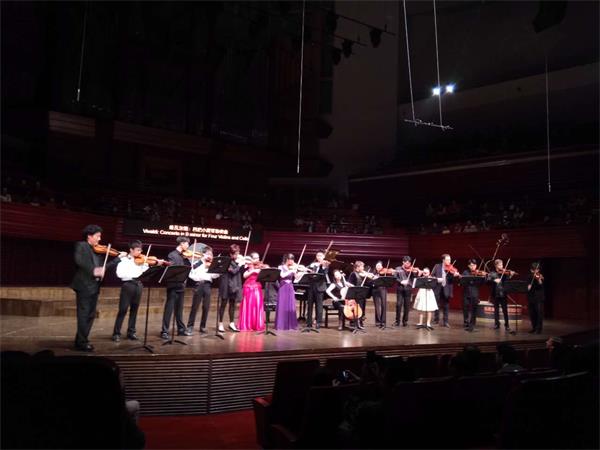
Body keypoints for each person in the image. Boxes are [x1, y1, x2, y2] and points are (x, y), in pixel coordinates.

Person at [70, 224, 125, 351]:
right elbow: (79, 261)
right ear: (89, 236)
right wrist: (93, 270)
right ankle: (82, 342)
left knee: (90, 315)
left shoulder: (98, 252)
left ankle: (81, 339)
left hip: (94, 286)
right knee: (83, 314)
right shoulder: (81, 245)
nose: (100, 239)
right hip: (84, 286)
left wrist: (117, 259)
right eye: (98, 236)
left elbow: (103, 268)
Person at [112, 240, 164, 342]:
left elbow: (145, 272)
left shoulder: (142, 260)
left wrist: (156, 264)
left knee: (134, 310)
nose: (140, 252)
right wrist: (133, 274)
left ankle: (131, 332)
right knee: (123, 310)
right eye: (137, 250)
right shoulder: (124, 260)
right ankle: (116, 333)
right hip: (128, 285)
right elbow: (119, 274)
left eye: (140, 250)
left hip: (139, 285)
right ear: (131, 250)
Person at [161, 236, 191, 339]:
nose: (188, 246)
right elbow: (173, 269)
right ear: (182, 244)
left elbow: (189, 269)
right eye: (187, 244)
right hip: (173, 285)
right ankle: (164, 331)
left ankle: (181, 330)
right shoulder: (172, 255)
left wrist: (189, 260)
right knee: (169, 309)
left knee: (179, 310)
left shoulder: (185, 256)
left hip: (181, 285)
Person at [186, 248, 220, 335]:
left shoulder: (211, 264)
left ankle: (203, 326)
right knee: (195, 307)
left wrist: (218, 270)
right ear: (203, 254)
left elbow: (214, 276)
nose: (210, 256)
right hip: (199, 284)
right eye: (208, 254)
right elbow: (191, 274)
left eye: (211, 254)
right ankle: (190, 327)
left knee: (206, 307)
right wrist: (199, 278)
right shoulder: (197, 263)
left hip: (207, 285)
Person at [218, 244, 244, 333]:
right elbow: (233, 271)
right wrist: (240, 265)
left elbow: (239, 272)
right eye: (236, 254)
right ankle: (220, 323)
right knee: (223, 304)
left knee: (232, 304)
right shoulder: (227, 261)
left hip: (235, 284)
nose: (237, 255)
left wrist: (241, 264)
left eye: (238, 253)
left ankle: (231, 323)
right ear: (231, 254)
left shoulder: (237, 261)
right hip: (226, 284)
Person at [238, 252, 266, 331]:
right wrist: (252, 271)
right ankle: (247, 324)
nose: (258, 259)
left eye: (258, 257)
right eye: (255, 258)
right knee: (248, 305)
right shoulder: (248, 265)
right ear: (251, 259)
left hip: (257, 288)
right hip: (248, 288)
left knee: (256, 305)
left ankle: (256, 324)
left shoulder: (260, 266)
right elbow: (244, 275)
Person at [431, 254, 459, 327]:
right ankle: (436, 320)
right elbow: (432, 275)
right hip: (438, 288)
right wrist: (437, 279)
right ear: (443, 260)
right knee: (436, 305)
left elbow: (453, 281)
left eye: (450, 260)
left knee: (446, 305)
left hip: (447, 289)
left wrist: (455, 276)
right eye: (447, 260)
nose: (449, 261)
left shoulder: (451, 268)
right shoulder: (437, 266)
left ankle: (446, 321)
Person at [488, 259, 514, 331]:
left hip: (503, 293)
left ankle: (507, 325)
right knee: (496, 310)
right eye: (500, 265)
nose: (501, 266)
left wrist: (510, 275)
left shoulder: (504, 273)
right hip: (495, 293)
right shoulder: (492, 273)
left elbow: (507, 281)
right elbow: (487, 281)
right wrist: (494, 280)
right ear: (496, 265)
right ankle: (497, 324)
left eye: (502, 265)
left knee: (505, 310)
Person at [305, 251, 330, 329]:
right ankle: (309, 323)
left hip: (320, 287)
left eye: (320, 255)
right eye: (317, 255)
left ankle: (318, 322)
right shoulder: (313, 264)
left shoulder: (325, 264)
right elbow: (307, 270)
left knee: (319, 306)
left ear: (323, 257)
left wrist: (323, 267)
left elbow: (324, 274)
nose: (319, 257)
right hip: (311, 287)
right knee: (309, 305)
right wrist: (308, 270)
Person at [274, 254, 299, 330]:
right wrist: (291, 270)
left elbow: (297, 278)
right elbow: (282, 275)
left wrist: (297, 272)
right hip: (283, 287)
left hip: (290, 287)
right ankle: (281, 324)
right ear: (286, 259)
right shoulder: (280, 267)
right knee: (282, 304)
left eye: (292, 259)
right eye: (290, 259)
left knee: (290, 304)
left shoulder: (293, 267)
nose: (292, 261)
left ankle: (290, 324)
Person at [348, 261, 374, 329]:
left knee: (362, 308)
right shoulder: (353, 274)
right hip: (355, 294)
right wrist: (353, 286)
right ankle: (354, 323)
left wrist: (370, 277)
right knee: (355, 309)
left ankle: (360, 322)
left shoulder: (363, 274)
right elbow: (349, 283)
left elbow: (368, 283)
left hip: (362, 294)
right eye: (362, 266)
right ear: (357, 267)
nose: (363, 268)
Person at [394, 256, 418, 327]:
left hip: (408, 289)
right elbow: (395, 277)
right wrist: (401, 281)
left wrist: (415, 273)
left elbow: (414, 278)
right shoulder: (398, 269)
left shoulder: (412, 269)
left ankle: (405, 321)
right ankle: (397, 321)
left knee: (407, 306)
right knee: (398, 305)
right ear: (403, 262)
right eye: (407, 263)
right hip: (400, 288)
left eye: (409, 263)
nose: (408, 265)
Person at [461, 259, 483, 332]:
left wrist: (483, 276)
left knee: (474, 310)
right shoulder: (465, 272)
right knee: (465, 309)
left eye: (474, 265)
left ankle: (472, 324)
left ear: (476, 266)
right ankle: (466, 323)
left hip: (474, 293)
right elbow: (463, 281)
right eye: (471, 265)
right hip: (466, 293)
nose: (472, 267)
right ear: (468, 266)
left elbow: (482, 282)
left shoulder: (478, 273)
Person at [527, 262, 545, 334]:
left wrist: (539, 279)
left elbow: (541, 285)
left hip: (538, 297)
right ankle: (534, 328)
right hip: (531, 297)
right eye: (535, 270)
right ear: (531, 270)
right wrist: (528, 287)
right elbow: (527, 285)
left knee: (539, 313)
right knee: (532, 314)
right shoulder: (529, 277)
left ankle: (538, 329)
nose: (536, 271)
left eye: (537, 269)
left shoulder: (540, 276)